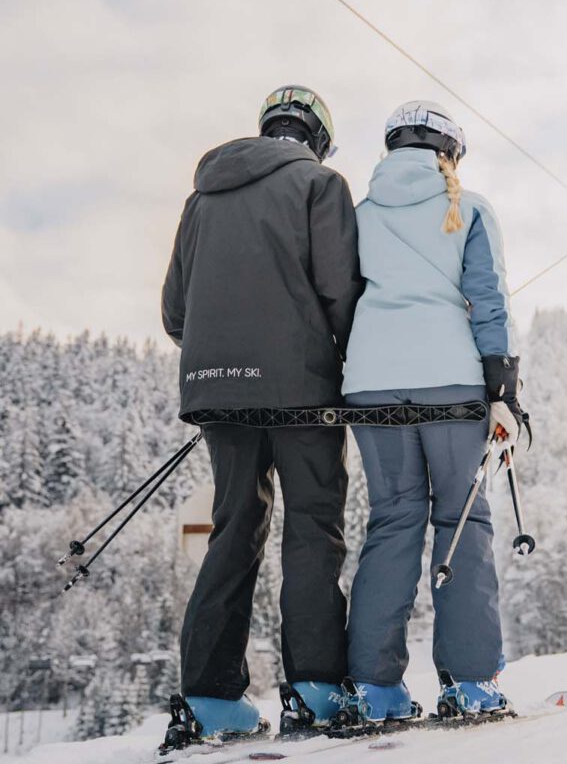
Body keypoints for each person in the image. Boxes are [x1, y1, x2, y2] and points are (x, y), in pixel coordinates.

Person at [159, 85, 363, 747]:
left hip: (214, 388)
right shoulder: (319, 184)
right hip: (301, 387)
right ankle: (315, 690)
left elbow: (174, 312)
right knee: (311, 525)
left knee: (234, 526)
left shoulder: (203, 197)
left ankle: (211, 699)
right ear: (318, 136)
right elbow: (339, 291)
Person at [340, 100, 526, 722]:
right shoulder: (469, 209)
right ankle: (471, 684)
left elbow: (341, 296)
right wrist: (504, 392)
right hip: (452, 384)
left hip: (369, 385)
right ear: (451, 154)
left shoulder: (358, 213)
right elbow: (487, 299)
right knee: (463, 523)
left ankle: (374, 689)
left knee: (392, 523)